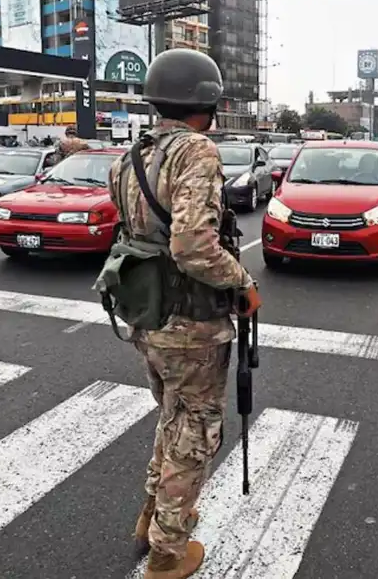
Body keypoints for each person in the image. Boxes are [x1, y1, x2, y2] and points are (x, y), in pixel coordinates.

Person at [103, 48, 261, 579]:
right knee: (195, 429)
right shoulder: (196, 151)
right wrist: (243, 282)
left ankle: (155, 514)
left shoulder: (129, 156)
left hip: (147, 314)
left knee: (173, 419)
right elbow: (193, 245)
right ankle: (168, 551)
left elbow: (132, 233)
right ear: (207, 100)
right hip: (190, 320)